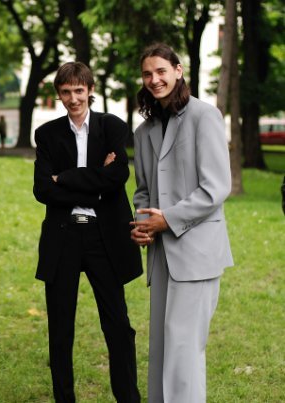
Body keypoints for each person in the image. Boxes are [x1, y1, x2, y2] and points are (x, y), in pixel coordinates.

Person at [33, 61, 143, 403]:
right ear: (59, 94)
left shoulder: (112, 127)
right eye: (66, 92)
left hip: (104, 237)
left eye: (79, 90)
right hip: (64, 236)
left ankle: (129, 398)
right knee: (60, 329)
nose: (73, 98)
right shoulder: (47, 134)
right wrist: (95, 185)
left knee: (118, 325)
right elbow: (42, 189)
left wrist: (64, 178)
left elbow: (118, 177)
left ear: (90, 90)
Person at [130, 43, 234, 403]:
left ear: (178, 70)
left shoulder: (205, 116)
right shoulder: (143, 132)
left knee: (184, 347)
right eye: (147, 74)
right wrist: (142, 223)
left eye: (161, 71)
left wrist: (168, 220)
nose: (154, 79)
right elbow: (143, 191)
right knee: (161, 347)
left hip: (197, 252)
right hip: (160, 255)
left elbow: (216, 187)